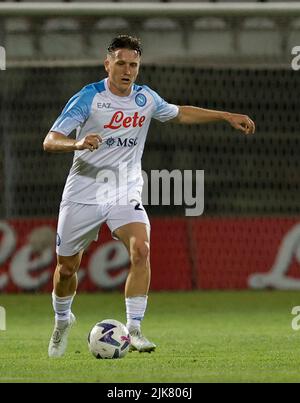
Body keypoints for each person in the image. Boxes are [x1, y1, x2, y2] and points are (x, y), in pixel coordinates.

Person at [43, 34, 255, 358]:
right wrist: (76, 143)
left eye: (133, 65)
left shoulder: (145, 99)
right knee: (67, 269)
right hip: (83, 192)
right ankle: (61, 321)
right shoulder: (88, 98)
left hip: (123, 190)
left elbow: (181, 113)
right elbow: (50, 140)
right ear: (107, 64)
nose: (127, 70)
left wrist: (226, 116)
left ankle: (135, 330)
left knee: (141, 249)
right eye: (121, 63)